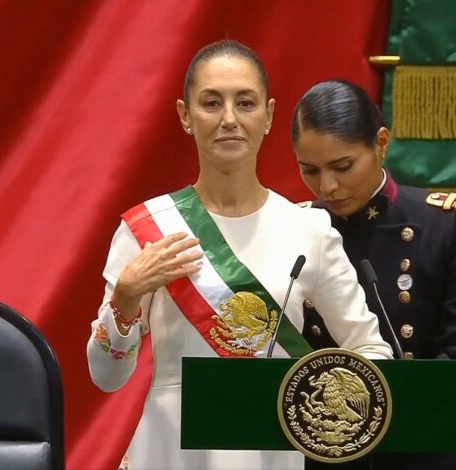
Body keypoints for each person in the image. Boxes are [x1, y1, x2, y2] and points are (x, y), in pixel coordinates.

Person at [86, 42, 393, 470]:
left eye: (244, 102)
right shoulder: (148, 228)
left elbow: (372, 351)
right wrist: (126, 296)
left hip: (271, 449)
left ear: (267, 116)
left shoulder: (310, 231)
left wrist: (321, 410)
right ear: (185, 116)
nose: (229, 119)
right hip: (170, 452)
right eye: (211, 103)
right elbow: (106, 376)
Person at [290, 79, 456, 469]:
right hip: (333, 449)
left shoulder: (443, 226)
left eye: (343, 166)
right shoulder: (296, 230)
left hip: (436, 448)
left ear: (382, 143)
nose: (328, 186)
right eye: (310, 171)